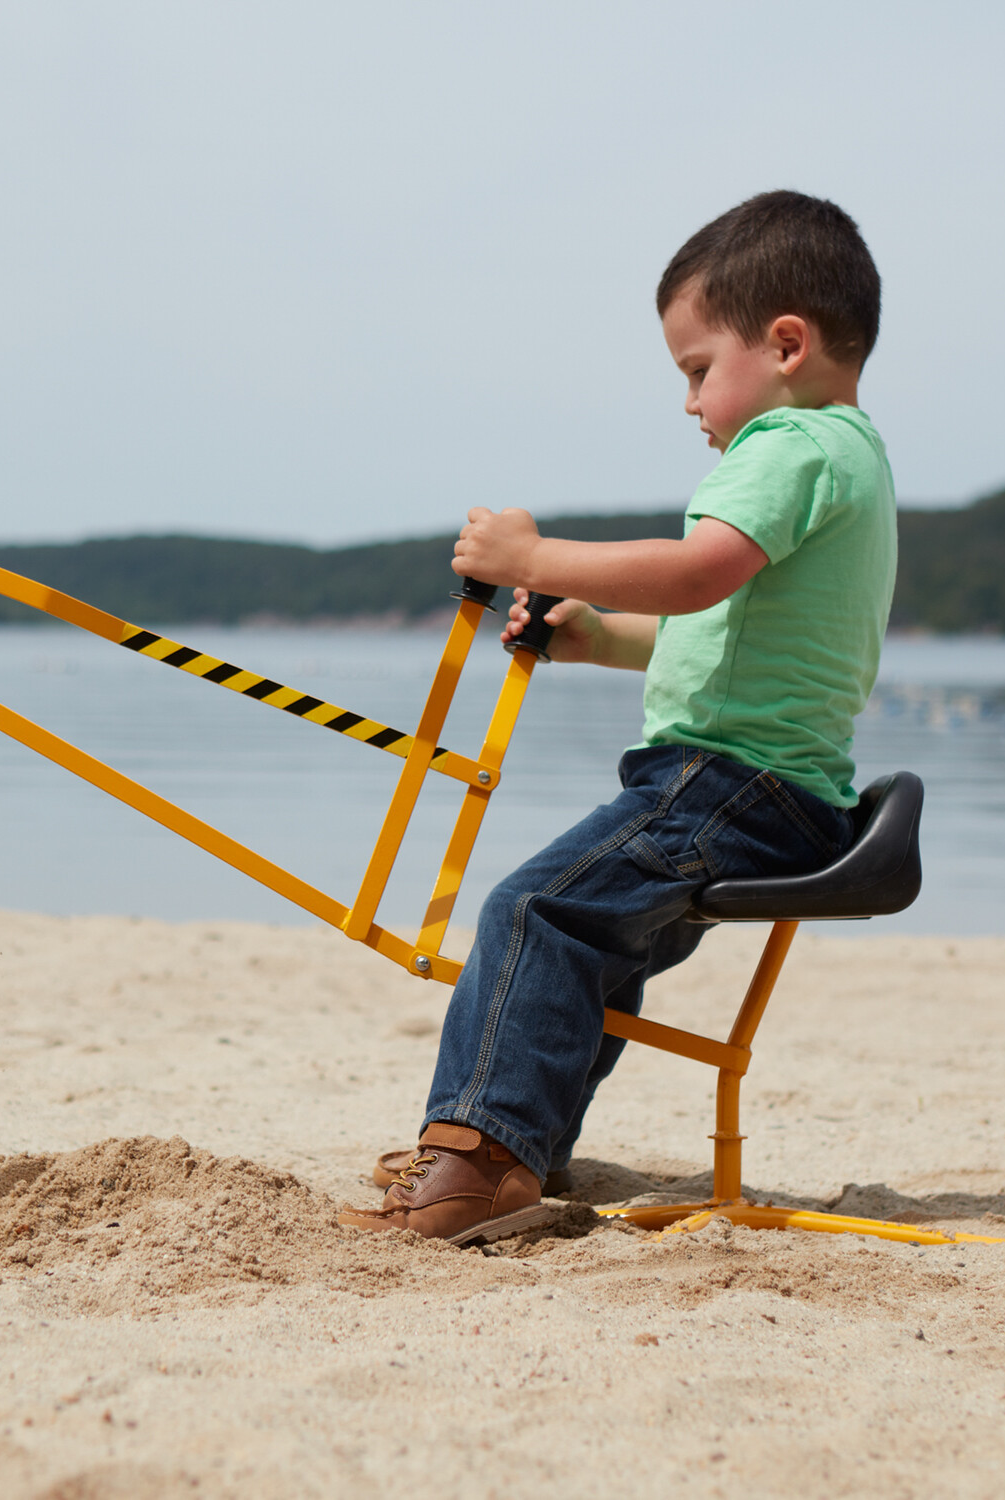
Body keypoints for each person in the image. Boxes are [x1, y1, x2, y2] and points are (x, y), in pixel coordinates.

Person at [339, 189, 897, 1246]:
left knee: (535, 909)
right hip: (772, 786)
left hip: (728, 783)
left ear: (785, 344)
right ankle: (518, 1142)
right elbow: (725, 631)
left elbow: (695, 575)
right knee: (589, 943)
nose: (690, 402)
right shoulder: (852, 455)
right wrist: (597, 636)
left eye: (696, 369)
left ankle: (481, 1165)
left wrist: (531, 560)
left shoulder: (789, 446)